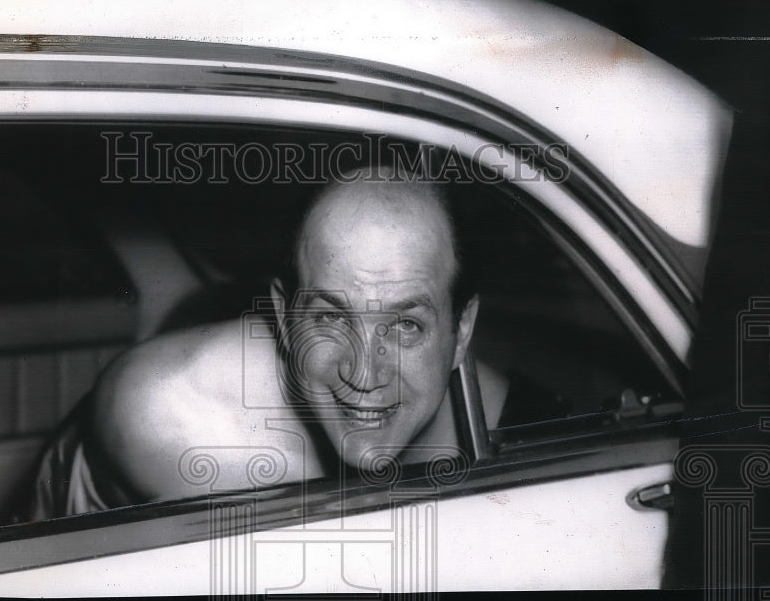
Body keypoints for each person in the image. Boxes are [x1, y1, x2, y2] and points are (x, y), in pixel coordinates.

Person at [29, 174, 505, 519]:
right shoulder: (165, 412)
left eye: (404, 325)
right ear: (283, 315)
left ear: (461, 332)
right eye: (329, 317)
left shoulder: (501, 429)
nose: (363, 375)